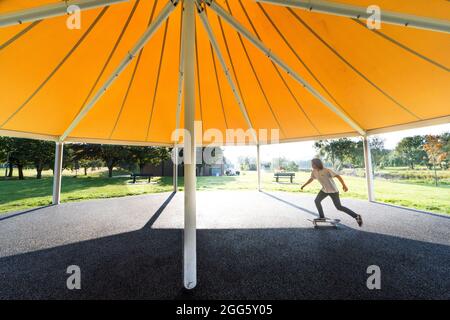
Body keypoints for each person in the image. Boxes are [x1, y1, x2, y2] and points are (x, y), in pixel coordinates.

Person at [301, 158, 363, 227]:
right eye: (311, 164)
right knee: (317, 201)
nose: (312, 165)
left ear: (317, 164)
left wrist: (344, 185)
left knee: (339, 207)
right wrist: (304, 185)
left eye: (313, 164)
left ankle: (357, 216)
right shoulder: (314, 171)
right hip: (324, 190)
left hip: (333, 191)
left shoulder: (326, 170)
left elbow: (338, 176)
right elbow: (311, 178)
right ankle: (322, 217)